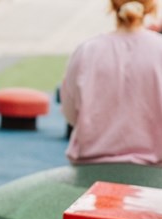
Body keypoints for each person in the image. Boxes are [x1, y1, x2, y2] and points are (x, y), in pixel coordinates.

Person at [60, 0, 162, 166]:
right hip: (155, 168)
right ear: (151, 7)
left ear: (113, 6)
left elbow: (70, 113)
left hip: (91, 166)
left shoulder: (87, 50)